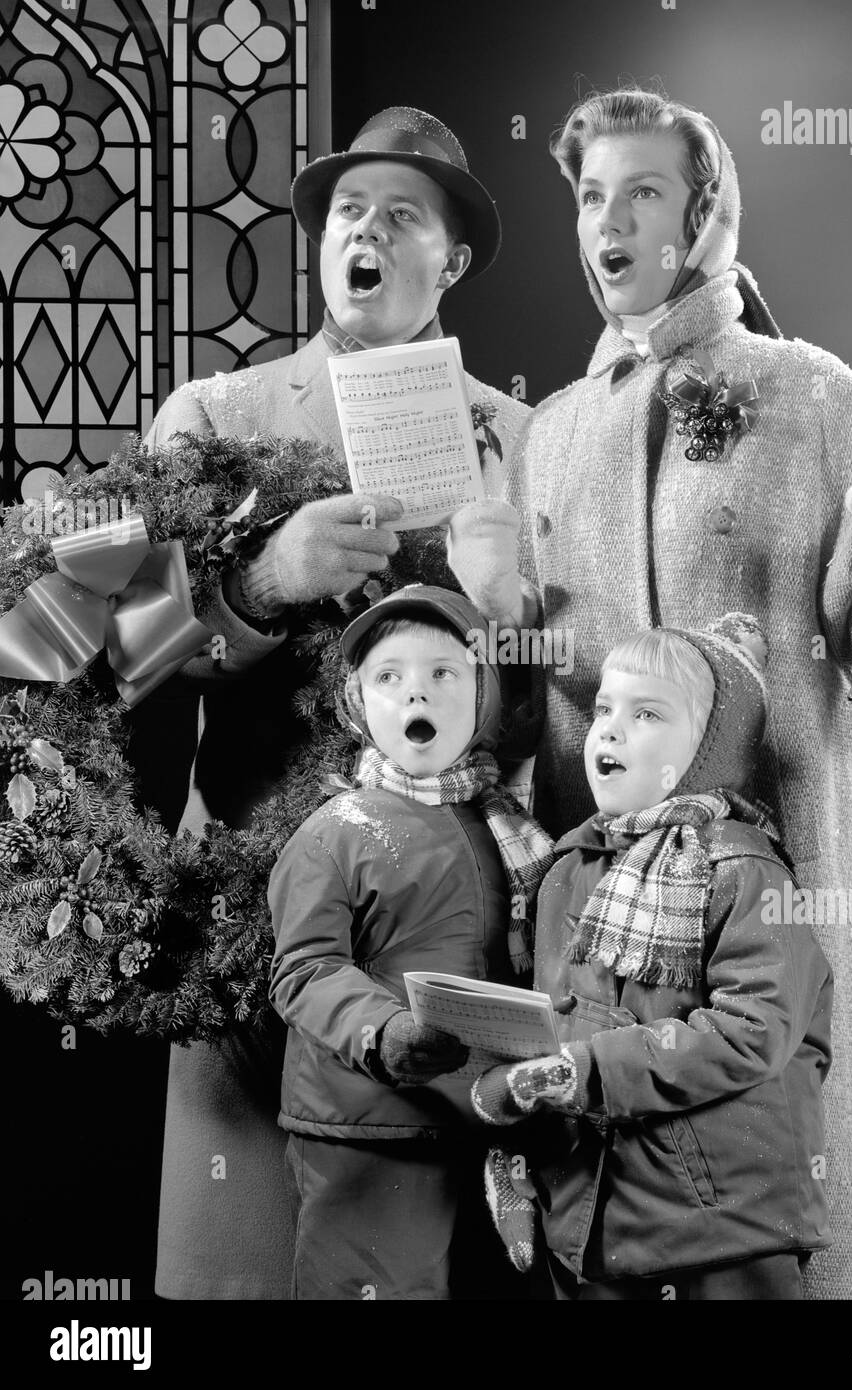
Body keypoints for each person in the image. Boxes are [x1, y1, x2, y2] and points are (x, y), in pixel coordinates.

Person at [472, 89, 852, 1299]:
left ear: (704, 212)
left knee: (782, 1183)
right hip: (598, 880)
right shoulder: (545, 433)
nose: (606, 220)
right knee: (609, 1154)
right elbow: (518, 689)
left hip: (780, 861)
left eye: (642, 191)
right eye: (588, 194)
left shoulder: (809, 390)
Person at [139, 107, 531, 1300]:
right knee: (242, 1270)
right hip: (248, 910)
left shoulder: (523, 439)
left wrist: (501, 608)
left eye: (400, 214)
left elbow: (561, 697)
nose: (365, 230)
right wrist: (264, 578)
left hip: (450, 930)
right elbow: (121, 650)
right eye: (347, 212)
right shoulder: (214, 418)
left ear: (449, 261)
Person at [468, 615, 834, 1299]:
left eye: (645, 714)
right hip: (594, 1217)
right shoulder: (568, 867)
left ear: (705, 750)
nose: (607, 729)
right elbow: (559, 1022)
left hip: (722, 1222)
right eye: (604, 708)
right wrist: (527, 1138)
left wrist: (585, 1069)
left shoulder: (739, 869)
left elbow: (752, 1032)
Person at [268, 585, 555, 1299]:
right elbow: (303, 971)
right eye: (387, 677)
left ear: (482, 696)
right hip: (369, 1128)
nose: (413, 693)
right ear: (357, 703)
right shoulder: (335, 831)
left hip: (488, 1121)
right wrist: (383, 1029)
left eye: (442, 674)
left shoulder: (509, 829)